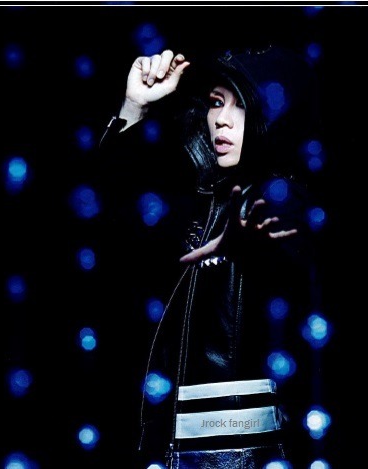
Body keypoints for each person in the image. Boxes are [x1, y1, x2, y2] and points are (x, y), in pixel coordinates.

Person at [99, 46, 319, 468]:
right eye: (217, 102)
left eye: (241, 106)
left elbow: (298, 257)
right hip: (177, 449)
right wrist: (134, 107)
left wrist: (259, 253)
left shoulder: (280, 199)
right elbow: (104, 220)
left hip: (239, 456)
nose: (221, 119)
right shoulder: (204, 202)